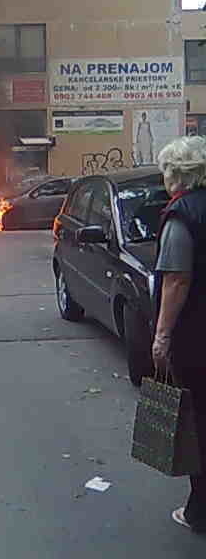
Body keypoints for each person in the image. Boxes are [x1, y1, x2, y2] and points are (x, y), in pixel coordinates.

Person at [153, 136, 206, 531]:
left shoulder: (181, 215)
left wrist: (162, 337)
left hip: (197, 337)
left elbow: (176, 281)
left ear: (176, 174)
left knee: (198, 421)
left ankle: (200, 510)